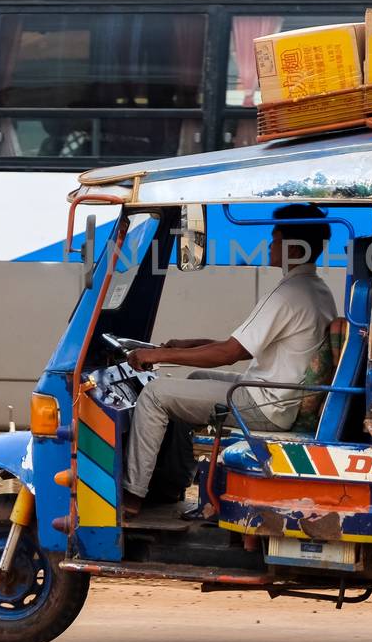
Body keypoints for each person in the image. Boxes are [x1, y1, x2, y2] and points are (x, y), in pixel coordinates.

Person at [123, 205, 338, 515]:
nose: (269, 244)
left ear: (293, 245)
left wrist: (159, 355)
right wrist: (185, 346)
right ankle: (171, 485)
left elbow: (229, 354)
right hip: (273, 394)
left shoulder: (290, 293)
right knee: (196, 382)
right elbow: (238, 345)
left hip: (265, 406)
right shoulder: (314, 289)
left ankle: (132, 494)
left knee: (155, 394)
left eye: (275, 238)